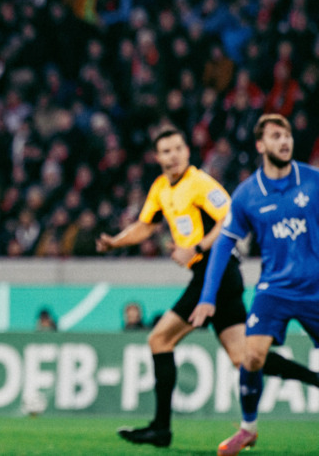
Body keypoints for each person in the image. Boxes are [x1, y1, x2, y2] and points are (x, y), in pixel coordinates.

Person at [96, 126, 319, 448]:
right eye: (166, 151)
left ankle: (161, 428)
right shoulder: (161, 188)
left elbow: (230, 219)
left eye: (178, 149)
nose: (173, 156)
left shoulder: (199, 183)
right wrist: (115, 242)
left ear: (187, 151)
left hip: (216, 272)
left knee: (159, 339)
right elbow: (146, 226)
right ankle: (314, 378)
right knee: (245, 358)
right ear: (157, 157)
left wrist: (197, 248)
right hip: (214, 276)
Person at [190, 114, 319, 455]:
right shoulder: (248, 194)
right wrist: (207, 297)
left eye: (287, 135)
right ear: (261, 145)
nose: (285, 141)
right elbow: (223, 244)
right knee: (251, 356)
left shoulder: (312, 180)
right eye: (276, 136)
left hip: (316, 287)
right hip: (274, 289)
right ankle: (248, 429)